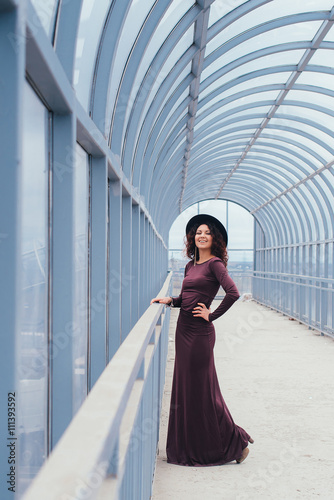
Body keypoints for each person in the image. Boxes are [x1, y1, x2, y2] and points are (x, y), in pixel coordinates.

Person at [150, 213, 253, 466]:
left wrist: (212, 315)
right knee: (187, 390)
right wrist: (171, 301)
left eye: (207, 232)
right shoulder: (190, 266)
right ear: (192, 238)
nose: (202, 236)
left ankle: (235, 442)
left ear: (214, 238)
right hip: (183, 329)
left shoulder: (215, 264)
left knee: (202, 391)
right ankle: (188, 447)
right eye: (198, 232)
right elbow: (187, 297)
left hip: (200, 335)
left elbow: (233, 292)